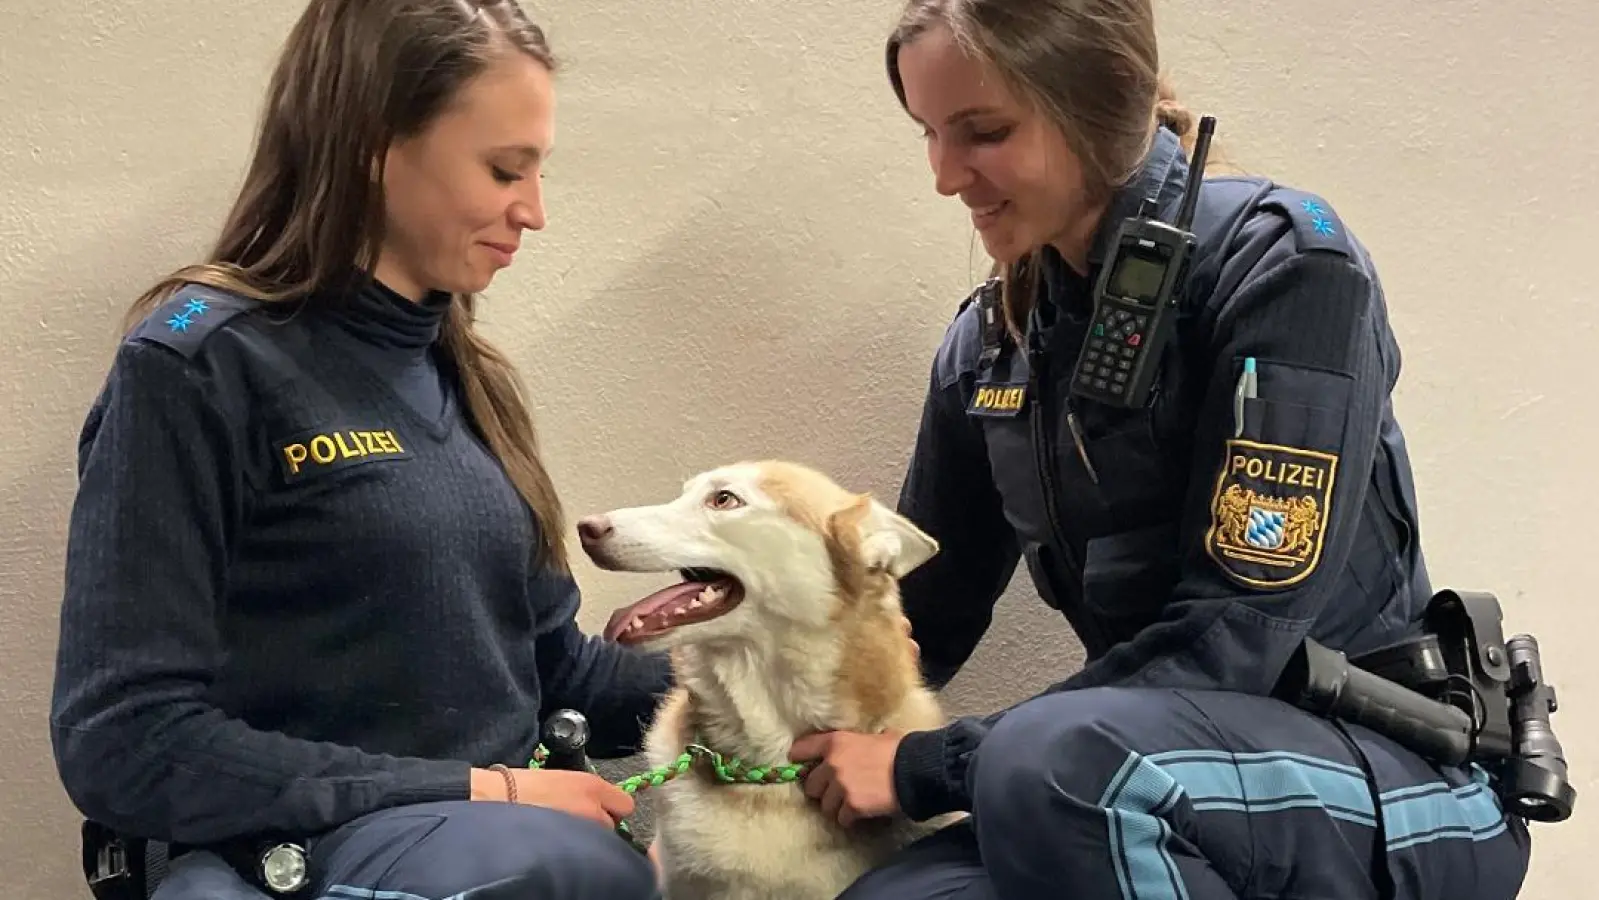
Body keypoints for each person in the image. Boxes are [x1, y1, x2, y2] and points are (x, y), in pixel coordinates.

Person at [789, 2, 1536, 898]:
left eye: (982, 132)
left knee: (1056, 764)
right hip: (1147, 772)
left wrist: (923, 767)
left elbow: (1238, 637)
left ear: (1096, 108)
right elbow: (917, 616)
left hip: (1395, 772)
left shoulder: (1285, 264)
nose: (946, 176)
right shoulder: (988, 344)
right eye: (928, 135)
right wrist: (736, 709)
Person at [48, 2, 672, 898]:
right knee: (576, 874)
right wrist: (484, 790)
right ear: (374, 145)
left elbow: (550, 672)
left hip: (481, 842)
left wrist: (775, 690)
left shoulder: (473, 379)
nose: (533, 212)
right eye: (504, 170)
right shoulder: (194, 360)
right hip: (284, 858)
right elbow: (125, 739)